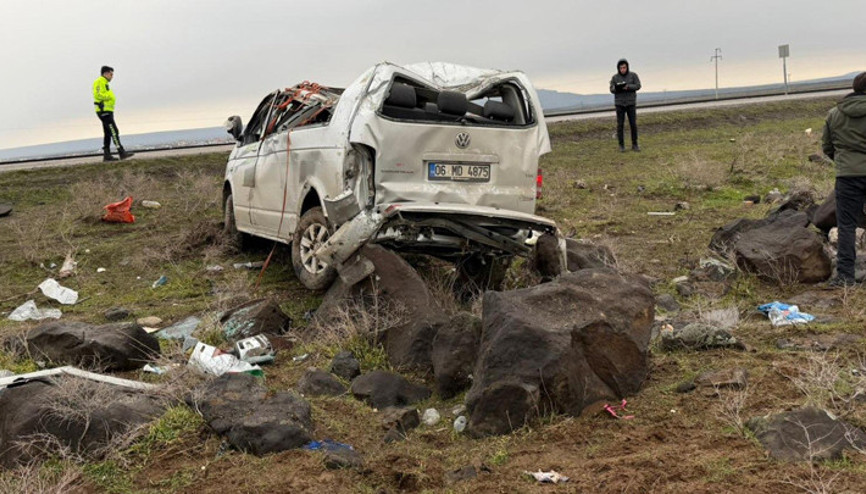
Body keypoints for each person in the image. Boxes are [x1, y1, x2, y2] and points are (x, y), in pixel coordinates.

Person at [822, 71, 866, 287]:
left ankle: (846, 276)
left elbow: (827, 147)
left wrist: (843, 162)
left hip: (847, 176)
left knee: (846, 225)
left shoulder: (834, 114)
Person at [93, 66, 134, 161]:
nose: (112, 77)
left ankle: (106, 155)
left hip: (107, 111)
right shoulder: (100, 81)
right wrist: (109, 97)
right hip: (104, 111)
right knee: (114, 131)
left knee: (107, 133)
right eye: (111, 74)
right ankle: (121, 152)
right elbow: (98, 94)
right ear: (105, 73)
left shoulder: (105, 83)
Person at [609, 58, 641, 152]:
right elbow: (611, 89)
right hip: (620, 104)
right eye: (621, 68)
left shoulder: (633, 75)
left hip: (630, 103)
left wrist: (628, 87)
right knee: (620, 125)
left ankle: (635, 144)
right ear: (618, 68)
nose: (623, 69)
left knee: (633, 124)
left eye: (624, 67)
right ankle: (621, 145)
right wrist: (618, 88)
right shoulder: (615, 78)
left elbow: (638, 85)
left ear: (627, 67)